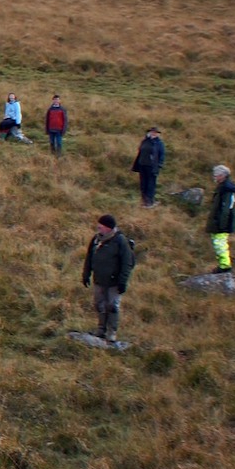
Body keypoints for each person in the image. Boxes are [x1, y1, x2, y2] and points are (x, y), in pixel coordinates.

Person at [81, 214, 136, 344]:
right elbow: (89, 258)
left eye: (101, 226)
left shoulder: (120, 241)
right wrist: (86, 274)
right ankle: (101, 330)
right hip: (99, 280)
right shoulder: (96, 240)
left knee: (112, 306)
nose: (98, 227)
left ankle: (111, 333)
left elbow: (127, 263)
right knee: (99, 305)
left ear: (109, 228)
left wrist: (122, 282)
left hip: (114, 283)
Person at [208, 164, 235, 272]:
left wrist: (221, 224)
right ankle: (223, 264)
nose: (215, 177)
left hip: (222, 224)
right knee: (218, 243)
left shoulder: (226, 190)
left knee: (220, 243)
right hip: (220, 222)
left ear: (223, 175)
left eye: (216, 175)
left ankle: (225, 266)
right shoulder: (223, 188)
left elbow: (226, 209)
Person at [132, 128, 165, 207]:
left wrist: (159, 164)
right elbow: (140, 151)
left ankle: (150, 201)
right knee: (143, 183)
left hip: (151, 166)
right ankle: (144, 200)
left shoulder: (159, 143)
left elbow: (162, 155)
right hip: (142, 165)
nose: (154, 133)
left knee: (151, 184)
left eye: (155, 132)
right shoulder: (144, 141)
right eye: (152, 132)